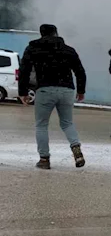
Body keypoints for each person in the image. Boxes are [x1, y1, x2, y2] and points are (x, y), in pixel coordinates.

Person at [17, 24, 86, 170]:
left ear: (41, 34)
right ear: (56, 33)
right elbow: (80, 71)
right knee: (67, 123)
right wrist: (81, 90)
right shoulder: (68, 50)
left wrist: (23, 92)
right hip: (67, 90)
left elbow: (24, 70)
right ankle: (76, 148)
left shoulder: (33, 49)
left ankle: (44, 159)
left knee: (41, 125)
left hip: (45, 90)